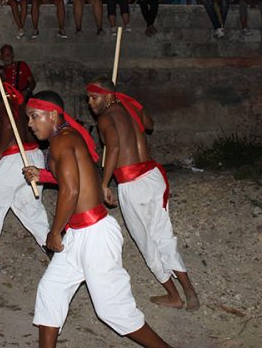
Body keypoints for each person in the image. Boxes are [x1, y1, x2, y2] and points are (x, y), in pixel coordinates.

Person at [22, 91, 173, 348]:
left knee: (112, 310)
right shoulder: (66, 137)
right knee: (51, 291)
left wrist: (54, 231)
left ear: (53, 115)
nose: (30, 124)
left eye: (35, 117)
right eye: (29, 118)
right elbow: (79, 176)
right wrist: (43, 175)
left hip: (95, 237)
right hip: (80, 235)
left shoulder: (62, 141)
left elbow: (71, 191)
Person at [86, 78, 200, 311]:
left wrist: (104, 183)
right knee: (163, 235)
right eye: (89, 98)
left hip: (133, 184)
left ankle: (174, 296)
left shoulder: (105, 118)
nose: (90, 103)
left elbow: (115, 148)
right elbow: (149, 124)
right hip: (153, 177)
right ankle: (189, 289)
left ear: (107, 96)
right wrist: (129, 102)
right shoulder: (129, 105)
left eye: (94, 97)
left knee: (147, 241)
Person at [0, 74, 49, 274]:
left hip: (15, 161)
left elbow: (8, 123)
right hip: (33, 156)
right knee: (30, 207)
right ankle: (54, 251)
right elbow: (18, 129)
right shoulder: (18, 102)